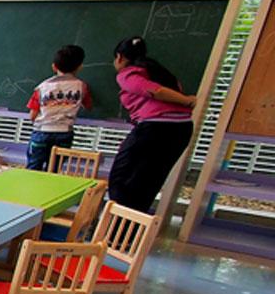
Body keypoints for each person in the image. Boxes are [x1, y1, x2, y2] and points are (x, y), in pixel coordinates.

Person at [107, 36, 197, 214]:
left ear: (119, 57)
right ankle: (133, 225)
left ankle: (116, 225)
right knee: (149, 181)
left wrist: (187, 101)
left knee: (121, 180)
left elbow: (153, 91)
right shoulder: (161, 72)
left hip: (156, 129)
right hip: (181, 129)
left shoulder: (128, 74)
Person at [25, 44, 92, 170]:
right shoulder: (82, 87)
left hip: (42, 131)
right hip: (65, 132)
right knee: (54, 168)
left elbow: (32, 115)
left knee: (33, 167)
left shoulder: (42, 87)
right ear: (79, 67)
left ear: (54, 67)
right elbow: (88, 106)